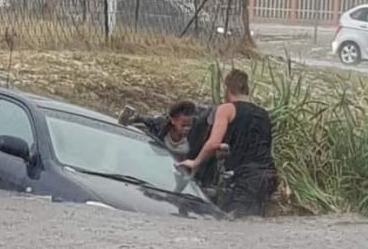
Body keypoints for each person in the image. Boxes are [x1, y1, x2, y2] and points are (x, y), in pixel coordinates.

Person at [179, 69, 277, 218]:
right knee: (255, 223)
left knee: (235, 224)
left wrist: (195, 162)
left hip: (246, 178)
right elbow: (256, 146)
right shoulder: (263, 113)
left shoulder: (226, 109)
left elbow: (213, 142)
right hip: (269, 177)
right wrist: (225, 152)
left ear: (227, 88)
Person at [119, 100, 197, 162]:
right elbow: (140, 119)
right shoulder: (159, 125)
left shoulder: (195, 136)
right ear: (172, 120)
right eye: (183, 125)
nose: (187, 129)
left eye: (189, 125)